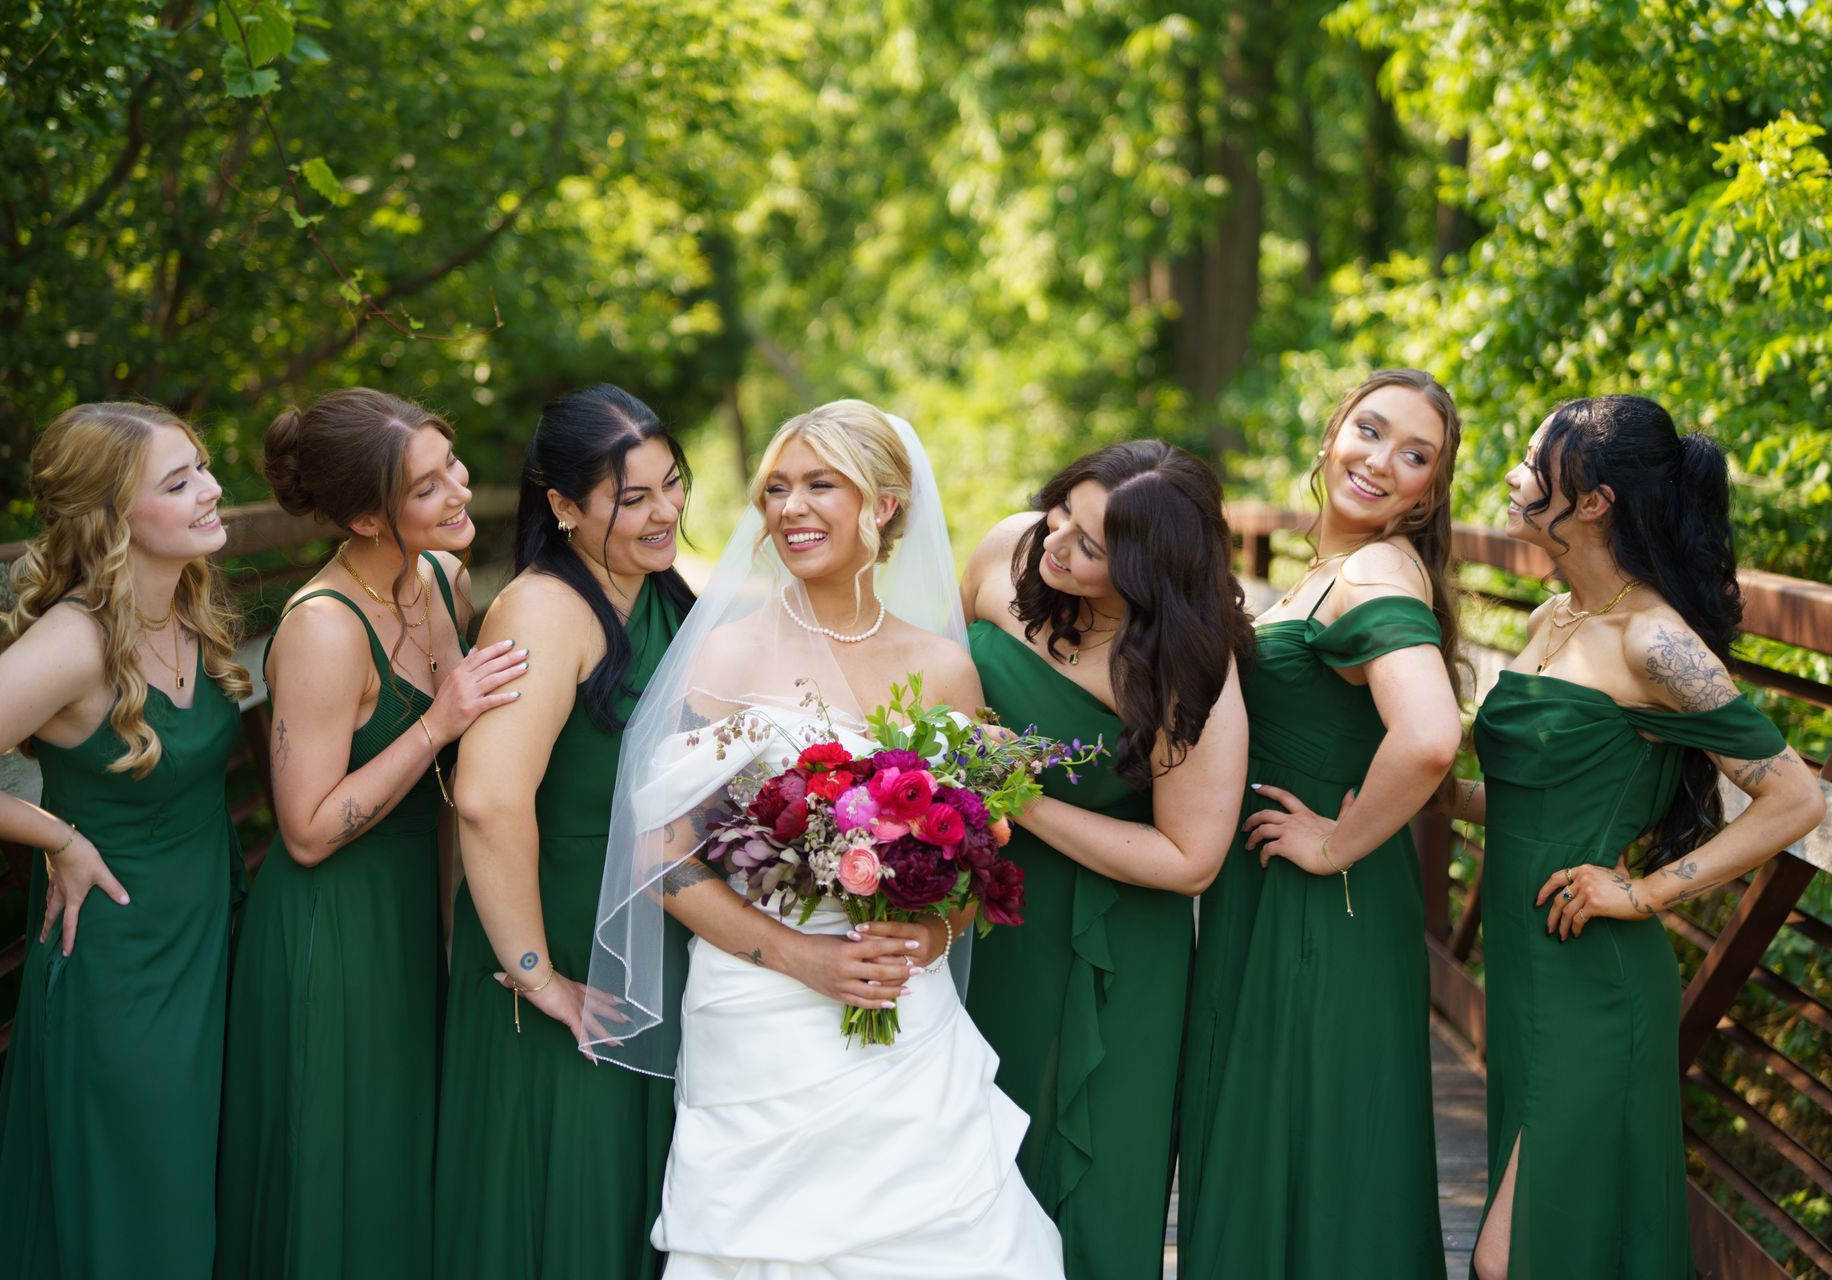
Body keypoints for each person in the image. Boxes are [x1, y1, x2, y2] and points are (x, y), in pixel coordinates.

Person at [584, 399, 1065, 1277]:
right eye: (776, 490)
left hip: (899, 1007)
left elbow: (971, 861)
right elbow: (661, 857)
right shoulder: (726, 657)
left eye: (820, 485)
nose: (791, 508)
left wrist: (929, 935)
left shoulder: (943, 667)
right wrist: (799, 958)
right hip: (761, 1013)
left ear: (882, 506)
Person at [1456, 395, 1824, 1280]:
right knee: (1563, 1248)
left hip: (1596, 983)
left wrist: (1646, 891)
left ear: (1592, 501)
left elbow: (1795, 797)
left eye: (1535, 457)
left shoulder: (1657, 641)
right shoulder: (1554, 620)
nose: (1513, 473)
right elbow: (1529, 800)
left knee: (1515, 1257)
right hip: (1521, 967)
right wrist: (1411, 794)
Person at [0, 403, 248, 1279]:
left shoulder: (186, 604)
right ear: (111, 520)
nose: (212, 491)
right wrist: (55, 836)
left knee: (193, 1200)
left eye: (203, 467)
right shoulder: (76, 642)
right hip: (122, 966)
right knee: (143, 1220)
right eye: (178, 483)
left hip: (203, 948)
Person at [216, 389, 527, 1280]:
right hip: (331, 929)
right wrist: (440, 719)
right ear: (362, 515)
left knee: (402, 1157)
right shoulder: (321, 628)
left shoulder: (442, 580)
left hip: (408, 911)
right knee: (339, 1165)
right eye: (427, 487)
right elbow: (307, 832)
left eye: (451, 465)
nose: (460, 491)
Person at [1179, 368, 1464, 1278]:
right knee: (1284, 1139)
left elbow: (1428, 738)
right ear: (1332, 431)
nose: (1382, 461)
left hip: (1321, 895)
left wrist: (1333, 843)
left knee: (1313, 1147)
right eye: (1370, 431)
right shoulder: (1329, 571)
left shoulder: (1378, 568)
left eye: (1414, 455)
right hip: (1278, 893)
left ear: (1428, 492)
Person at [958, 440, 1251, 1277]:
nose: (1057, 545)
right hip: (971, 908)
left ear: (1148, 576)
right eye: (1064, 514)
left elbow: (1191, 857)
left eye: (1091, 548)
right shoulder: (1008, 549)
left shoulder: (1183, 667)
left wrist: (1023, 797)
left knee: (1089, 1184)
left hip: (1110, 942)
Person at [433, 385, 696, 1280]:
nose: (663, 513)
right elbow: (486, 799)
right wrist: (539, 976)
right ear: (562, 506)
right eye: (632, 498)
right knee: (562, 1192)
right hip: (560, 934)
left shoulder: (658, 593)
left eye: (672, 485)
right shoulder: (543, 610)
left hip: (649, 921)